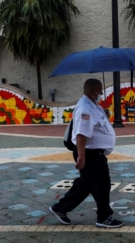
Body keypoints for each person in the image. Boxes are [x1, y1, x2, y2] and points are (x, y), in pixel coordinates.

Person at [49, 78, 123, 228]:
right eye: (100, 92)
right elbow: (81, 134)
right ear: (93, 92)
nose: (101, 94)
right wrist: (82, 157)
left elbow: (95, 126)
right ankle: (103, 217)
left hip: (94, 154)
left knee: (87, 184)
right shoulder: (85, 109)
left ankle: (60, 209)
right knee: (102, 185)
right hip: (89, 154)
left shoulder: (92, 105)